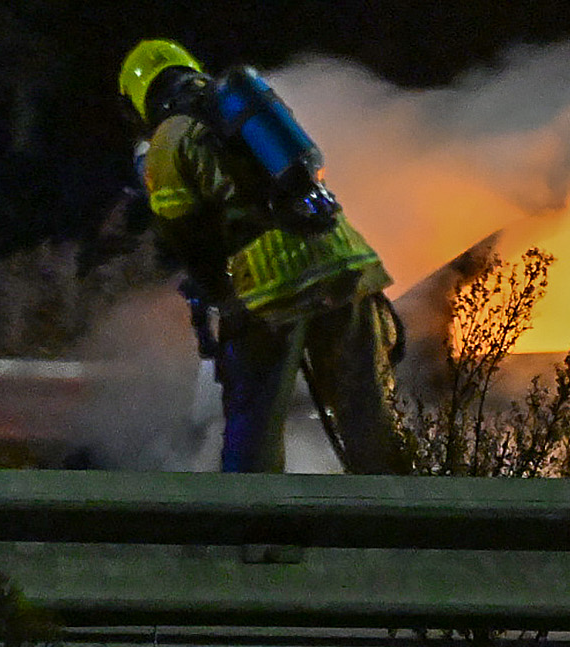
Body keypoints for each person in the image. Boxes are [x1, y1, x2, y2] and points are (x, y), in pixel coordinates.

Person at [119, 38, 406, 473]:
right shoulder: (241, 109)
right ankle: (408, 527)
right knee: (369, 419)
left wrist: (219, 294)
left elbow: (187, 239)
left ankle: (258, 536)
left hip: (269, 291)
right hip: (344, 264)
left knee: (253, 434)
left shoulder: (167, 142)